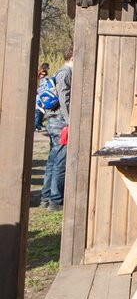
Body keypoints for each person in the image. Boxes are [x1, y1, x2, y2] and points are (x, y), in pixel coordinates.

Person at [41, 48, 73, 211]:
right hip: (61, 122)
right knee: (60, 160)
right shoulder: (66, 73)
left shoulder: (59, 72)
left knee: (53, 159)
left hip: (54, 120)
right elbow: (64, 98)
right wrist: (70, 122)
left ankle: (46, 197)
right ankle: (55, 200)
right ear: (73, 57)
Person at [34, 62, 49, 131]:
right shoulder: (42, 74)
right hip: (39, 95)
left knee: (40, 111)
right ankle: (36, 125)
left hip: (40, 95)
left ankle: (38, 124)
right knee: (39, 111)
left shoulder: (39, 74)